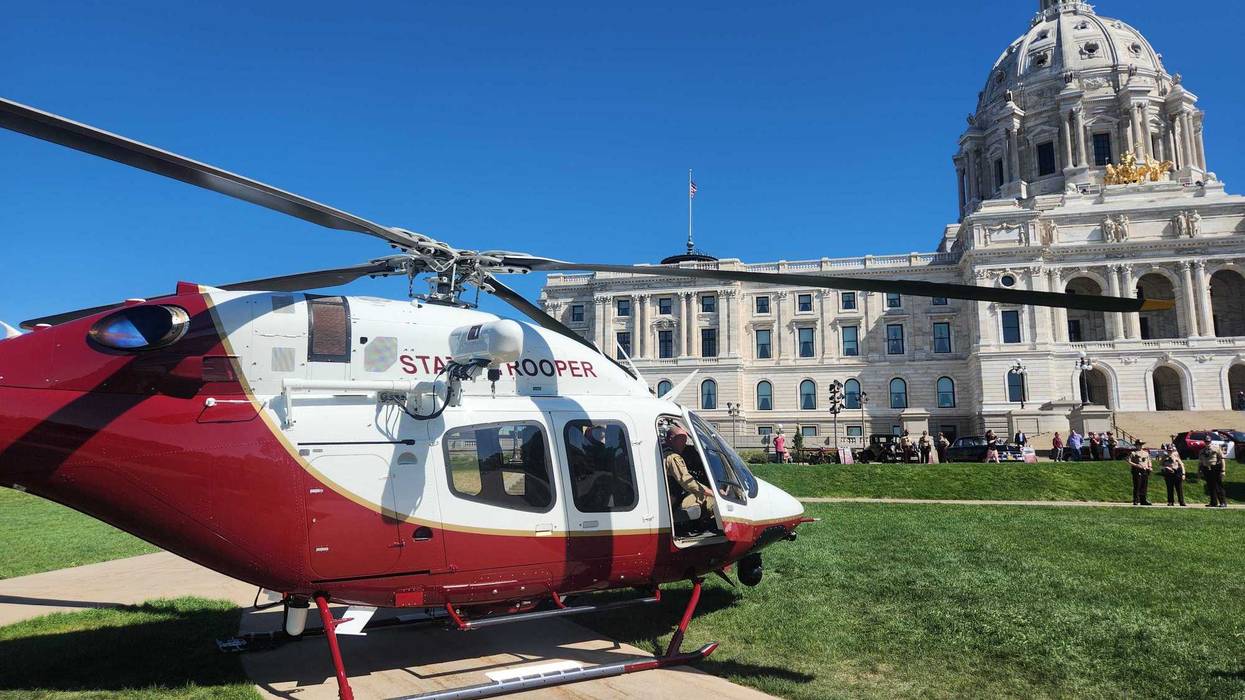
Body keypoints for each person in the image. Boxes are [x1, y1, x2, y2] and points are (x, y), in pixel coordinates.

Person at [662, 424, 717, 532]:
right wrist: (712, 492)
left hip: (665, 497)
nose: (684, 444)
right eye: (681, 440)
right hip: (671, 499)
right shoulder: (673, 457)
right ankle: (701, 527)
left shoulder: (662, 451)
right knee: (710, 500)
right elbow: (686, 481)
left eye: (685, 440)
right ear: (671, 439)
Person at [1197, 440, 1229, 508]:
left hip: (1215, 468)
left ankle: (1223, 502)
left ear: (1210, 442)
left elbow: (1222, 459)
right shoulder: (1201, 451)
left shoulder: (1216, 448)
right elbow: (1200, 462)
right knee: (1210, 486)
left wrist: (1223, 470)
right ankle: (1213, 502)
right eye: (1206, 442)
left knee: (1218, 486)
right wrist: (1199, 471)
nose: (1207, 443)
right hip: (1206, 469)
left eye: (1208, 442)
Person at [1127, 440, 1153, 505]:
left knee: (1144, 486)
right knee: (1137, 485)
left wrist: (1150, 466)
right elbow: (1128, 461)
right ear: (1136, 445)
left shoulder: (1146, 453)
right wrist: (1136, 465)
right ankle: (1135, 500)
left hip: (1145, 470)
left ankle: (1143, 500)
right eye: (1139, 444)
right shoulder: (1133, 453)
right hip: (1137, 470)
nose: (1140, 446)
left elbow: (1149, 460)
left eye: (1141, 444)